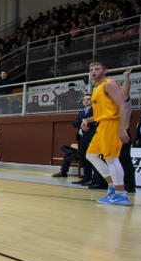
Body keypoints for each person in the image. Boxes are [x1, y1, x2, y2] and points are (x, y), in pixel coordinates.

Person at [83, 60, 131, 205]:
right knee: (91, 155)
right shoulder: (97, 89)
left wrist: (122, 128)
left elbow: (123, 106)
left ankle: (121, 194)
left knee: (112, 159)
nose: (93, 72)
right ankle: (112, 187)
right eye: (91, 70)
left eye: (97, 69)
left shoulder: (109, 84)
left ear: (105, 71)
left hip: (112, 124)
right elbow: (102, 113)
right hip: (102, 125)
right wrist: (88, 120)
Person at [54, 93, 96, 181]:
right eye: (84, 99)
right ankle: (85, 177)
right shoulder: (81, 112)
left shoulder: (95, 111)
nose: (85, 101)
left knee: (89, 158)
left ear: (92, 101)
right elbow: (75, 124)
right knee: (83, 157)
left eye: (88, 99)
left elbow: (93, 123)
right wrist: (81, 123)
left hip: (90, 137)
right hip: (81, 138)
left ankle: (90, 178)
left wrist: (85, 122)